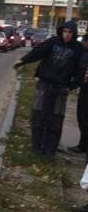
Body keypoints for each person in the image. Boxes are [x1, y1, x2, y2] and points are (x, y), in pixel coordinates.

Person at [13, 21, 82, 159]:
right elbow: (38, 52)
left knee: (55, 121)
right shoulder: (53, 42)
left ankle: (50, 151)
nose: (67, 35)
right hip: (44, 85)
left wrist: (71, 86)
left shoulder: (78, 48)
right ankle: (36, 148)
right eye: (65, 31)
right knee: (38, 117)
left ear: (74, 33)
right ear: (61, 31)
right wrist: (23, 61)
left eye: (70, 32)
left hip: (61, 88)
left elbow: (80, 70)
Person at [69, 36, 88, 154]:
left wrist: (70, 86)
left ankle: (83, 146)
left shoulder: (86, 56)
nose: (83, 44)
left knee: (83, 118)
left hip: (86, 92)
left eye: (84, 42)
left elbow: (81, 75)